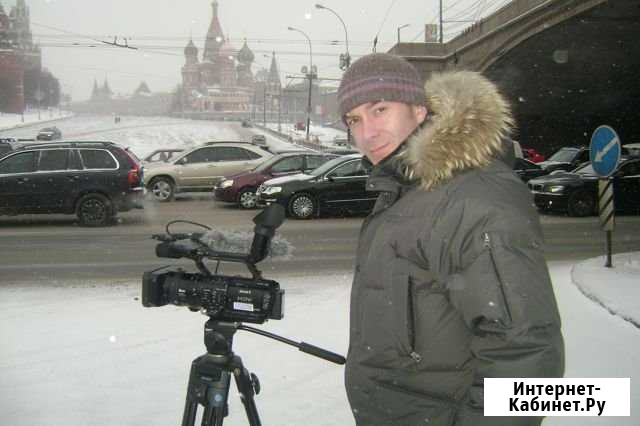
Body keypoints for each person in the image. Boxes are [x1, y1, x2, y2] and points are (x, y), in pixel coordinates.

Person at [338, 53, 564, 425]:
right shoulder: (405, 188)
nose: (367, 133)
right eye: (354, 119)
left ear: (419, 110)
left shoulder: (473, 198)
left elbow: (525, 356)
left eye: (379, 110)